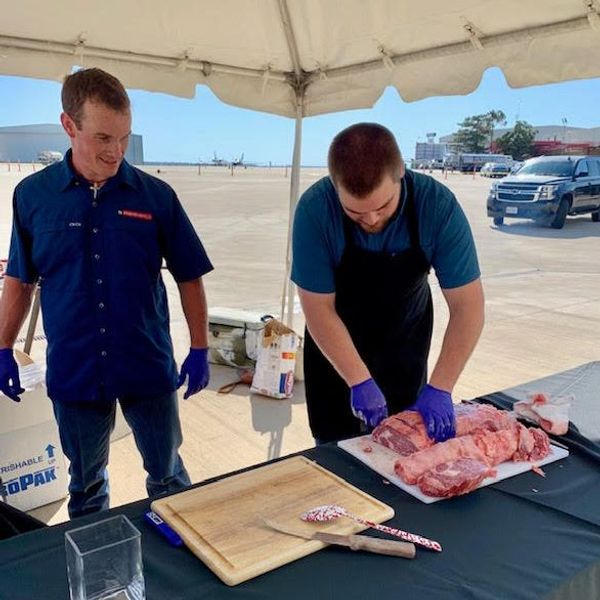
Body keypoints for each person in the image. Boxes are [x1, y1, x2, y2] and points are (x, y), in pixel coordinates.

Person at [0, 68, 213, 518]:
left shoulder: (156, 196)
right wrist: (2, 346)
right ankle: (98, 577)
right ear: (68, 126)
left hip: (146, 364)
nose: (116, 151)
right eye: (102, 138)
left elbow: (189, 275)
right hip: (75, 371)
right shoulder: (33, 197)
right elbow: (20, 279)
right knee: (86, 484)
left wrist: (199, 346)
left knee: (168, 476)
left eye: (123, 137)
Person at [291, 123, 484, 444]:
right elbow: (318, 309)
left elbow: (468, 307)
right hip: (334, 352)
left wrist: (441, 387)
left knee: (405, 456)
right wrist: (358, 380)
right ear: (334, 186)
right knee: (337, 453)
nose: (371, 219)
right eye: (354, 211)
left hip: (404, 345)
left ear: (401, 174)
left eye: (382, 206)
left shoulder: (436, 206)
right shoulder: (315, 210)